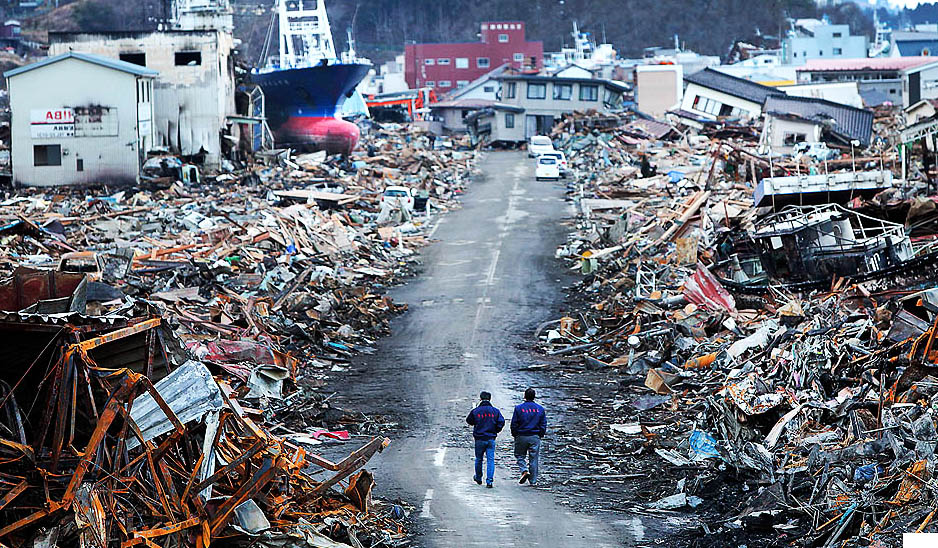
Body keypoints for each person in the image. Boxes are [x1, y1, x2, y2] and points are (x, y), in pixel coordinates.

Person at [466, 391, 505, 488]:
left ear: (480, 398)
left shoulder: (476, 411)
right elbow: (501, 422)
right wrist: (496, 430)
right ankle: (489, 481)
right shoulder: (495, 411)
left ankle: (478, 477)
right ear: (490, 399)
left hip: (479, 438)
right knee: (490, 460)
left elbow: (469, 420)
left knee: (479, 459)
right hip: (491, 438)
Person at [511, 388, 547, 486]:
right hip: (535, 436)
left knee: (519, 455)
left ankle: (524, 470)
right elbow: (543, 424)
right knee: (534, 458)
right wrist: (540, 434)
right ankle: (533, 481)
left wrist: (515, 434)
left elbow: (514, 423)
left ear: (524, 396)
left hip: (521, 435)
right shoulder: (540, 409)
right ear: (534, 396)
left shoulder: (518, 408)